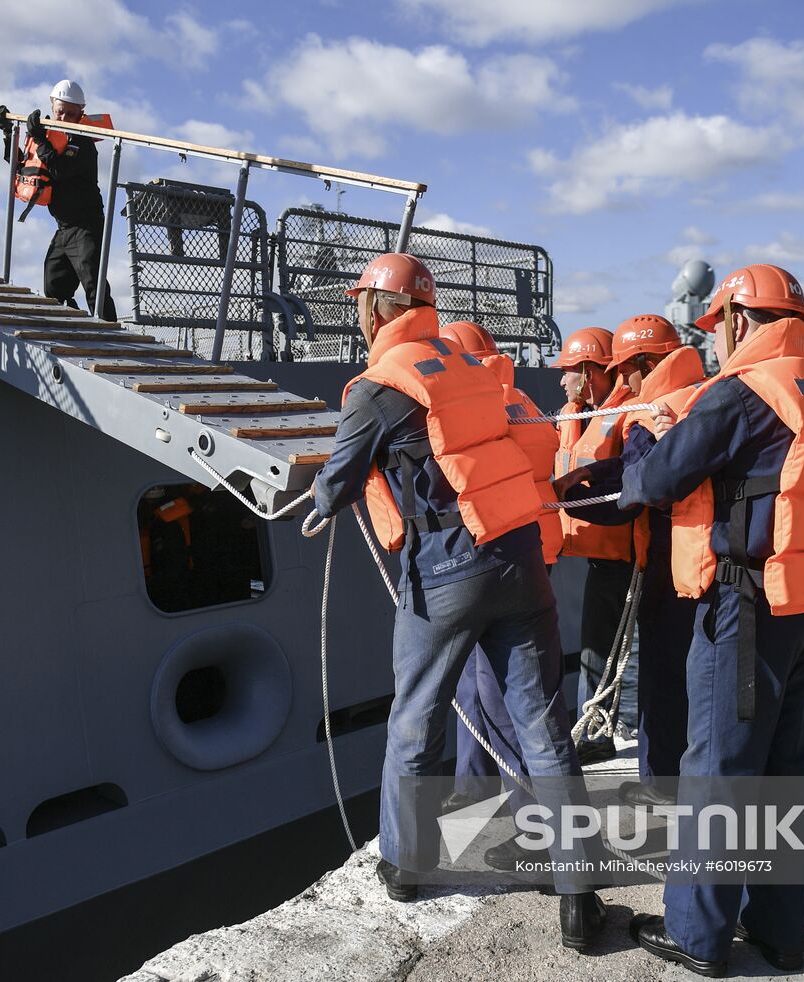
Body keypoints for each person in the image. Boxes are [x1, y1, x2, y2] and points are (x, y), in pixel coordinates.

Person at [309, 253, 606, 950]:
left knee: (416, 719)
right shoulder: (467, 365)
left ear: (374, 310)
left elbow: (340, 481)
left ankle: (408, 865)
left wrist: (318, 500)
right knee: (541, 727)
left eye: (361, 303)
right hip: (519, 556)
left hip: (446, 569)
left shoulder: (379, 387)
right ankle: (579, 895)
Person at [621, 264, 804, 976]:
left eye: (717, 329)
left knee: (719, 771)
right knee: (784, 770)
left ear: (732, 320)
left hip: (747, 609)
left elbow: (659, 483)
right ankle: (779, 931)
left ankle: (698, 938)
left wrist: (648, 434)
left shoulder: (740, 392)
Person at [557, 315, 707, 806]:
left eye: (626, 370)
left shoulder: (652, 409)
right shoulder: (704, 396)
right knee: (691, 671)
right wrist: (594, 474)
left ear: (644, 363)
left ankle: (662, 784)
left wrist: (568, 501)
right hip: (701, 558)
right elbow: (629, 467)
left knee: (664, 676)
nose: (623, 380)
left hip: (666, 559)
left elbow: (635, 485)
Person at [436, 321, 562, 838]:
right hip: (530, 552)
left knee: (494, 693)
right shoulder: (523, 402)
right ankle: (473, 788)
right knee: (477, 685)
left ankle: (521, 816)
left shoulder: (470, 405)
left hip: (485, 560)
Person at [551, 326, 635, 766]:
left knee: (601, 649)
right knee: (596, 646)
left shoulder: (625, 416)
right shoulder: (580, 414)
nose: (561, 381)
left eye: (567, 372)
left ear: (588, 371)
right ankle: (593, 730)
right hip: (599, 551)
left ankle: (596, 736)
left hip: (621, 556)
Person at [0, 80, 117, 321]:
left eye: (70, 114)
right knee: (54, 285)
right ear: (52, 106)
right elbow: (21, 166)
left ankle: (115, 336)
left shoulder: (83, 142)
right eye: (59, 111)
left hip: (86, 225)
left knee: (93, 284)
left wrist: (40, 141)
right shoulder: (48, 137)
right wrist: (8, 132)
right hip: (63, 227)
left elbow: (60, 170)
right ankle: (71, 327)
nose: (63, 118)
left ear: (81, 113)